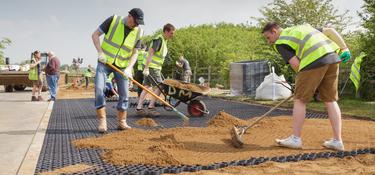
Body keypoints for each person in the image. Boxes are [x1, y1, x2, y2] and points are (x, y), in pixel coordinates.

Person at [262, 22, 351, 151]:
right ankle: (337, 141)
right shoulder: (303, 27)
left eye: (268, 38)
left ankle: (296, 139)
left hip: (313, 62)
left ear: (274, 31)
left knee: (299, 99)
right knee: (330, 100)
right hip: (332, 57)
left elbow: (296, 65)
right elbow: (330, 31)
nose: (269, 42)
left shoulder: (280, 42)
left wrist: (303, 84)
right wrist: (345, 48)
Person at [91, 8, 144, 133]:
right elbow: (95, 35)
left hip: (122, 66)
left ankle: (122, 122)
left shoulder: (139, 32)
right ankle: (102, 121)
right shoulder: (113, 20)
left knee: (125, 94)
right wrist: (100, 52)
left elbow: (135, 52)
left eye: (138, 23)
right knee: (99, 90)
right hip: (104, 62)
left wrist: (129, 68)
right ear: (129, 16)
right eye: (135, 22)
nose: (136, 25)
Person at [136, 23, 176, 116]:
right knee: (160, 86)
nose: (172, 35)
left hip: (153, 67)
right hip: (152, 67)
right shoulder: (159, 40)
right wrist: (146, 68)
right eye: (171, 33)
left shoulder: (164, 41)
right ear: (166, 31)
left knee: (146, 87)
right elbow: (150, 53)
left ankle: (139, 108)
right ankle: (151, 107)